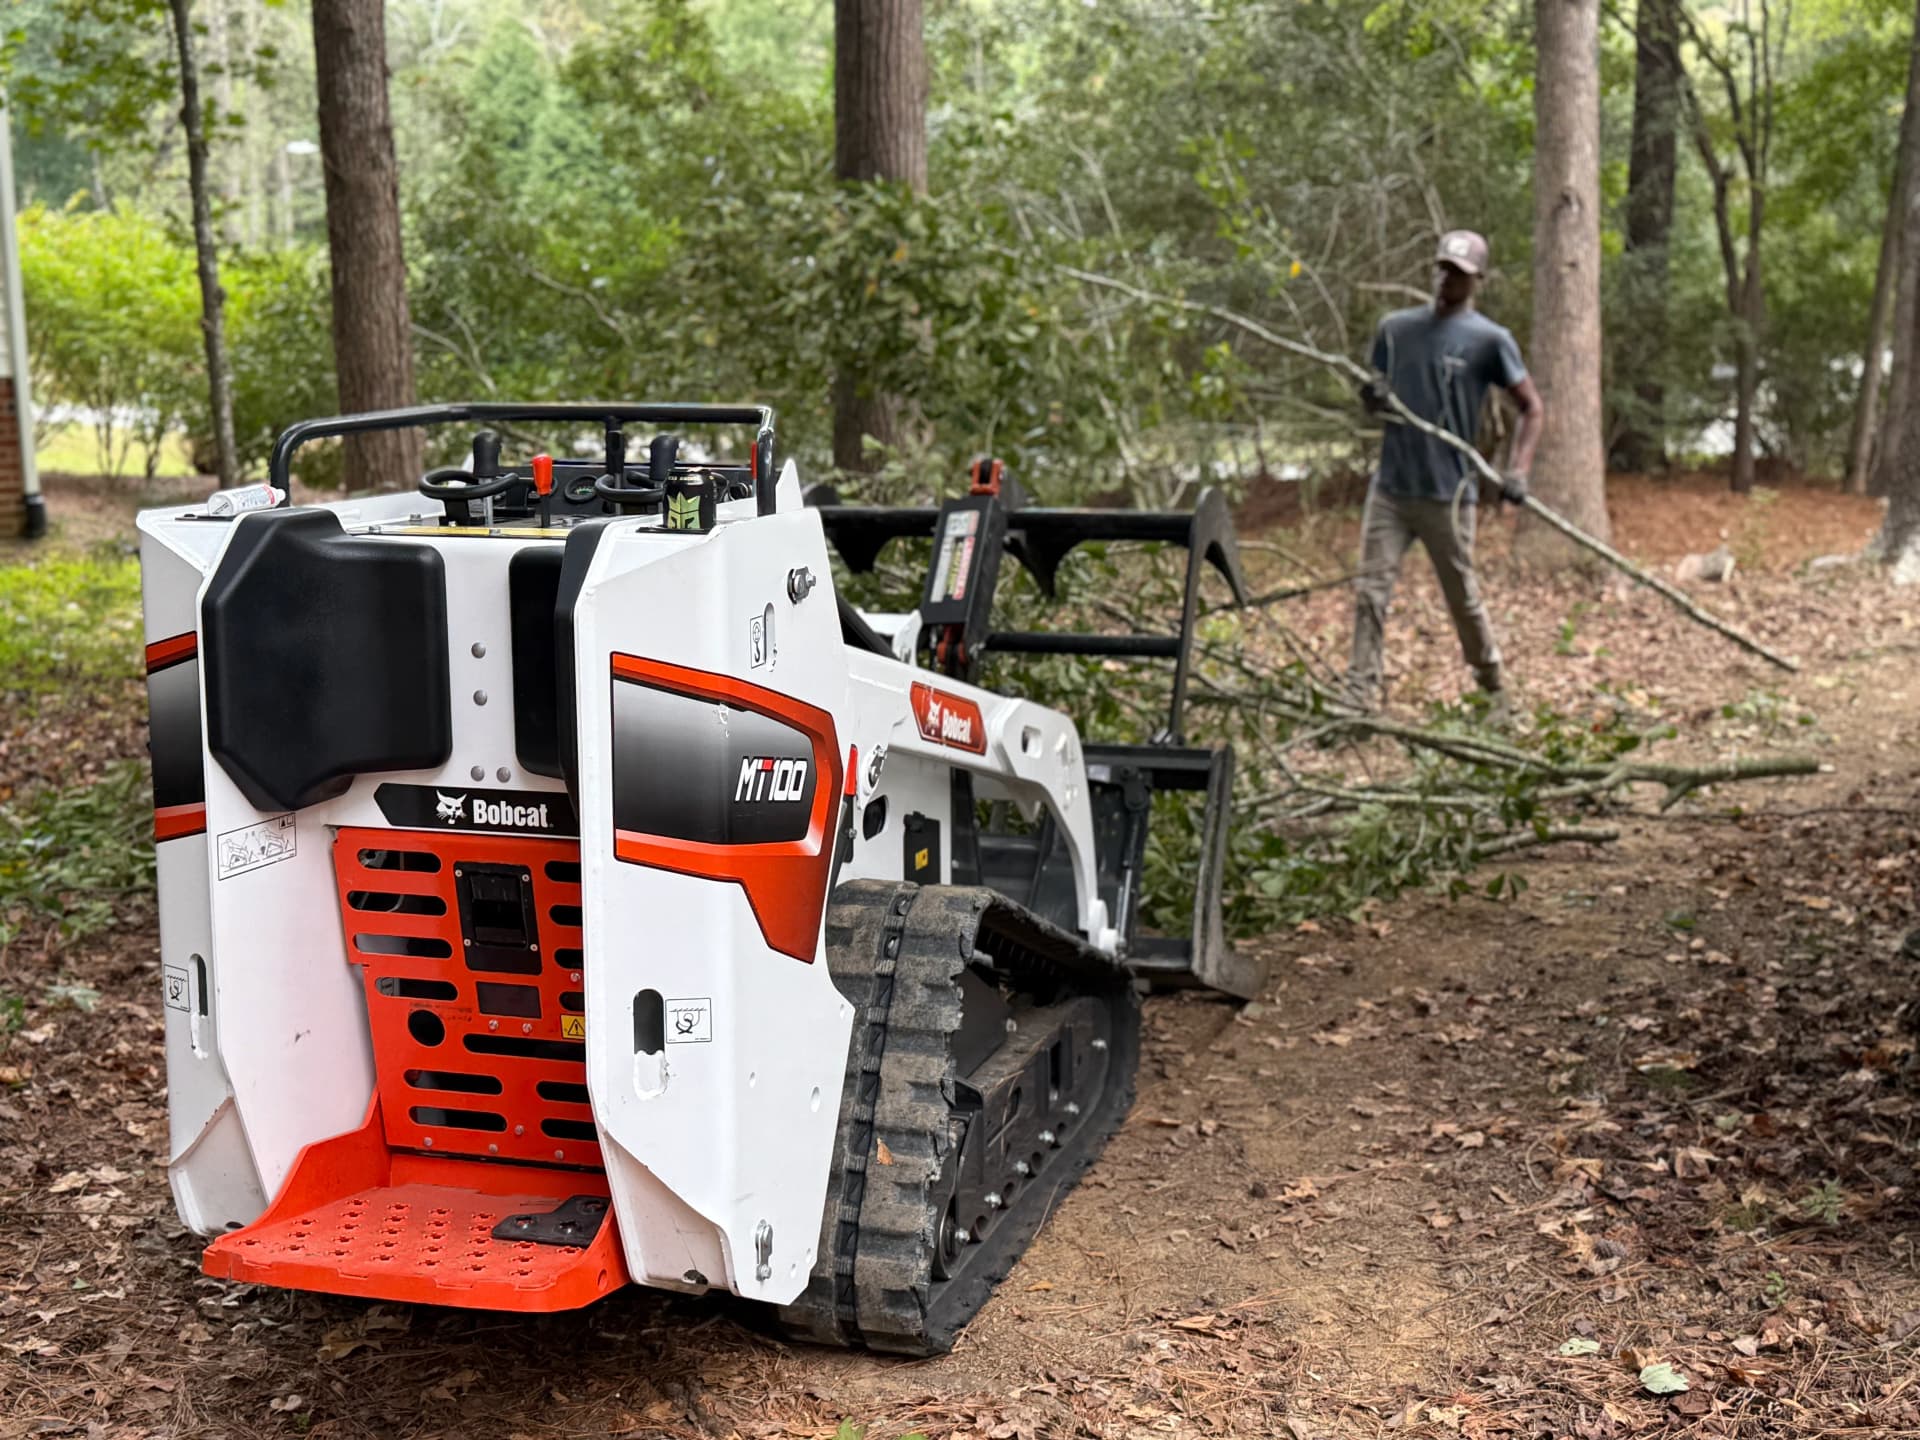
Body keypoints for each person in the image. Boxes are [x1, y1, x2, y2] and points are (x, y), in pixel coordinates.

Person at [1344, 229, 1545, 717]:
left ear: (1477, 280)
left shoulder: (1489, 341)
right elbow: (1380, 395)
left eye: (1458, 274)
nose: (1446, 280)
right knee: (1370, 592)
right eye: (1442, 269)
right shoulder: (1396, 330)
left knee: (1462, 599)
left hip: (1448, 495)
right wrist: (1372, 398)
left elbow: (1532, 408)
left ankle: (1494, 689)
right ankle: (1358, 699)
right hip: (1391, 489)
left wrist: (1516, 471)